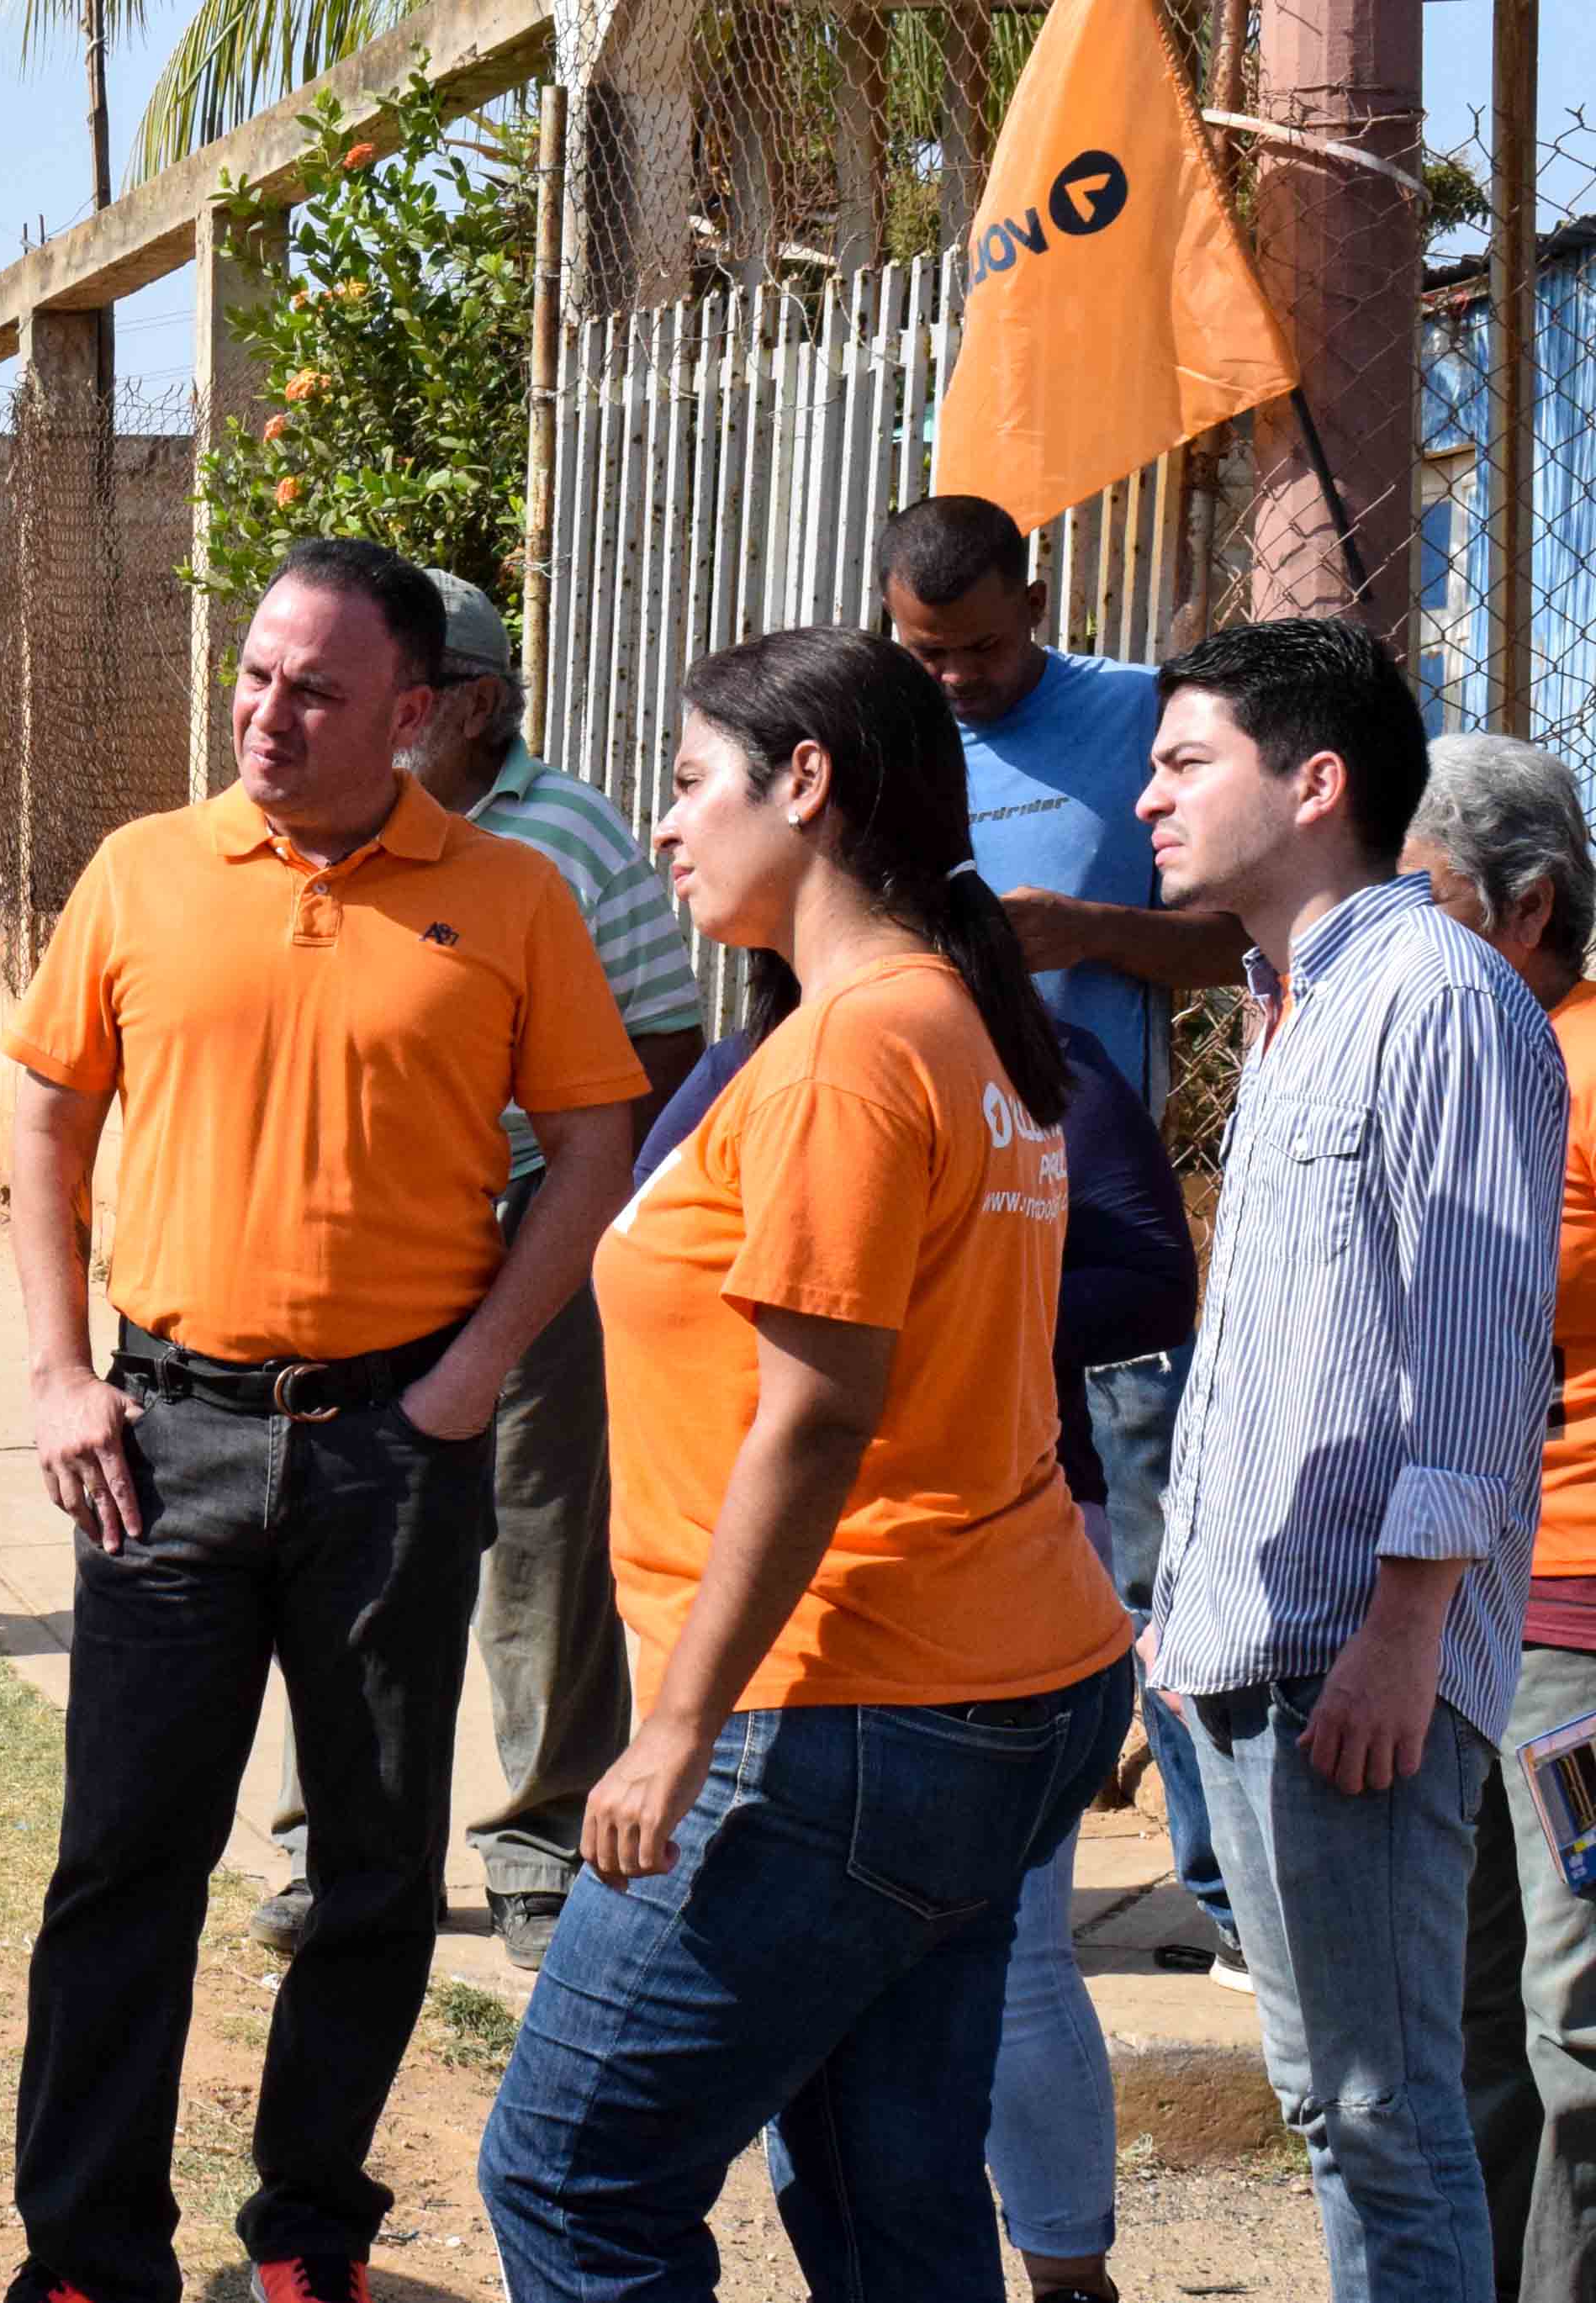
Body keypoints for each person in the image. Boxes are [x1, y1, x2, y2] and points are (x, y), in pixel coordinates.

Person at [0, 537, 647, 2303]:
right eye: (257, 673)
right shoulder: (143, 872)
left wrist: (474, 1367)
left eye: (316, 690)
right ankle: (84, 2249)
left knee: (371, 1865)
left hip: (389, 1446)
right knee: (123, 1858)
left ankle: (305, 2230)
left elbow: (595, 1135)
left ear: (416, 714)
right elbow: (48, 1120)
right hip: (164, 1436)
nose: (266, 715)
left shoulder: (508, 896)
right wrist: (60, 1371)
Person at [476, 626, 1135, 2299]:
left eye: (695, 782)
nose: (669, 824)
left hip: (843, 1703)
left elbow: (821, 1412)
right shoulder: (954, 1018)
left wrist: (675, 1729)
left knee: (569, 2175)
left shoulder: (853, 1049)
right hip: (994, 1677)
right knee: (886, 2200)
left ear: (810, 782)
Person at [636, 1004, 1193, 2303]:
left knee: (1022, 1957)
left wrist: (942, 1297)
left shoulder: (1040, 1059)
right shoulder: (764, 1061)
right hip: (799, 1571)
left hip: (1014, 1538)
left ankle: (1070, 2270)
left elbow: (1157, 1276)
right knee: (815, 1991)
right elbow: (648, 1242)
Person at [1139, 620, 1564, 2303]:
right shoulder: (1293, 999)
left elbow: (1473, 1343)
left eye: (1186, 763)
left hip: (1349, 1662)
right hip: (1261, 1641)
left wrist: (1404, 1629)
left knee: (1381, 2107)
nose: (1148, 798)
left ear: (1315, 782)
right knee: (1339, 2103)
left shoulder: (1435, 994)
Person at [250, 568, 706, 1967]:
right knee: (335, 1543)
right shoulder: (305, 836)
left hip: (528, 1236)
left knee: (539, 1539)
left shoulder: (564, 834)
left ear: (464, 705)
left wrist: (573, 1224)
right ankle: (321, 1844)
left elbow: (665, 1046)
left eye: (382, 690)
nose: (329, 721)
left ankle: (536, 1840)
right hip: (354, 1247)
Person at [880, 491, 1255, 1980]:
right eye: (925, 650)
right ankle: (971, 1872)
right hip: (928, 1214)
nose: (955, 678)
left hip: (1098, 1213)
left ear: (1031, 598)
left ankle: (1219, 1901)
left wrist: (1086, 932)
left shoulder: (1140, 723)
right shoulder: (882, 726)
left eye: (976, 646)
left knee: (1157, 1551)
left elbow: (1233, 941)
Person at [1408, 732, 1596, 2303]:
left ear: (1527, 910)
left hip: (1569, 1617)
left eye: (1426, 901)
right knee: (1463, 2006)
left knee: (1571, 2019)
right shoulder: (1468, 1052)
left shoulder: (1568, 1062)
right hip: (1457, 1594)